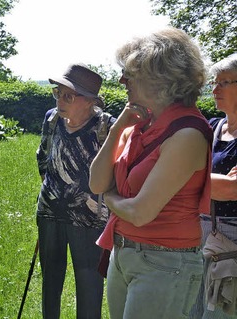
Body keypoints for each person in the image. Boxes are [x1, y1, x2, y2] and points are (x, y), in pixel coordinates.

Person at [89, 27, 212, 319]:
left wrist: (110, 199)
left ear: (161, 78)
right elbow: (95, 181)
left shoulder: (187, 134)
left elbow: (141, 212)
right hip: (124, 254)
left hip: (166, 262)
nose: (122, 80)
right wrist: (118, 127)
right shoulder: (139, 126)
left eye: (130, 73)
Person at [35, 63, 115, 319]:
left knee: (90, 283)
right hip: (49, 212)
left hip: (90, 218)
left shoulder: (105, 126)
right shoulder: (52, 118)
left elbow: (114, 172)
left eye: (68, 95)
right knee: (50, 282)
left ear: (90, 101)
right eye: (58, 92)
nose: (60, 100)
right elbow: (43, 156)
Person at [189, 53, 237, 319]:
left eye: (224, 82)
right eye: (214, 83)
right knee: (191, 312)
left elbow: (232, 189)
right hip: (197, 237)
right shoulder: (211, 128)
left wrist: (184, 178)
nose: (215, 90)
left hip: (231, 245)